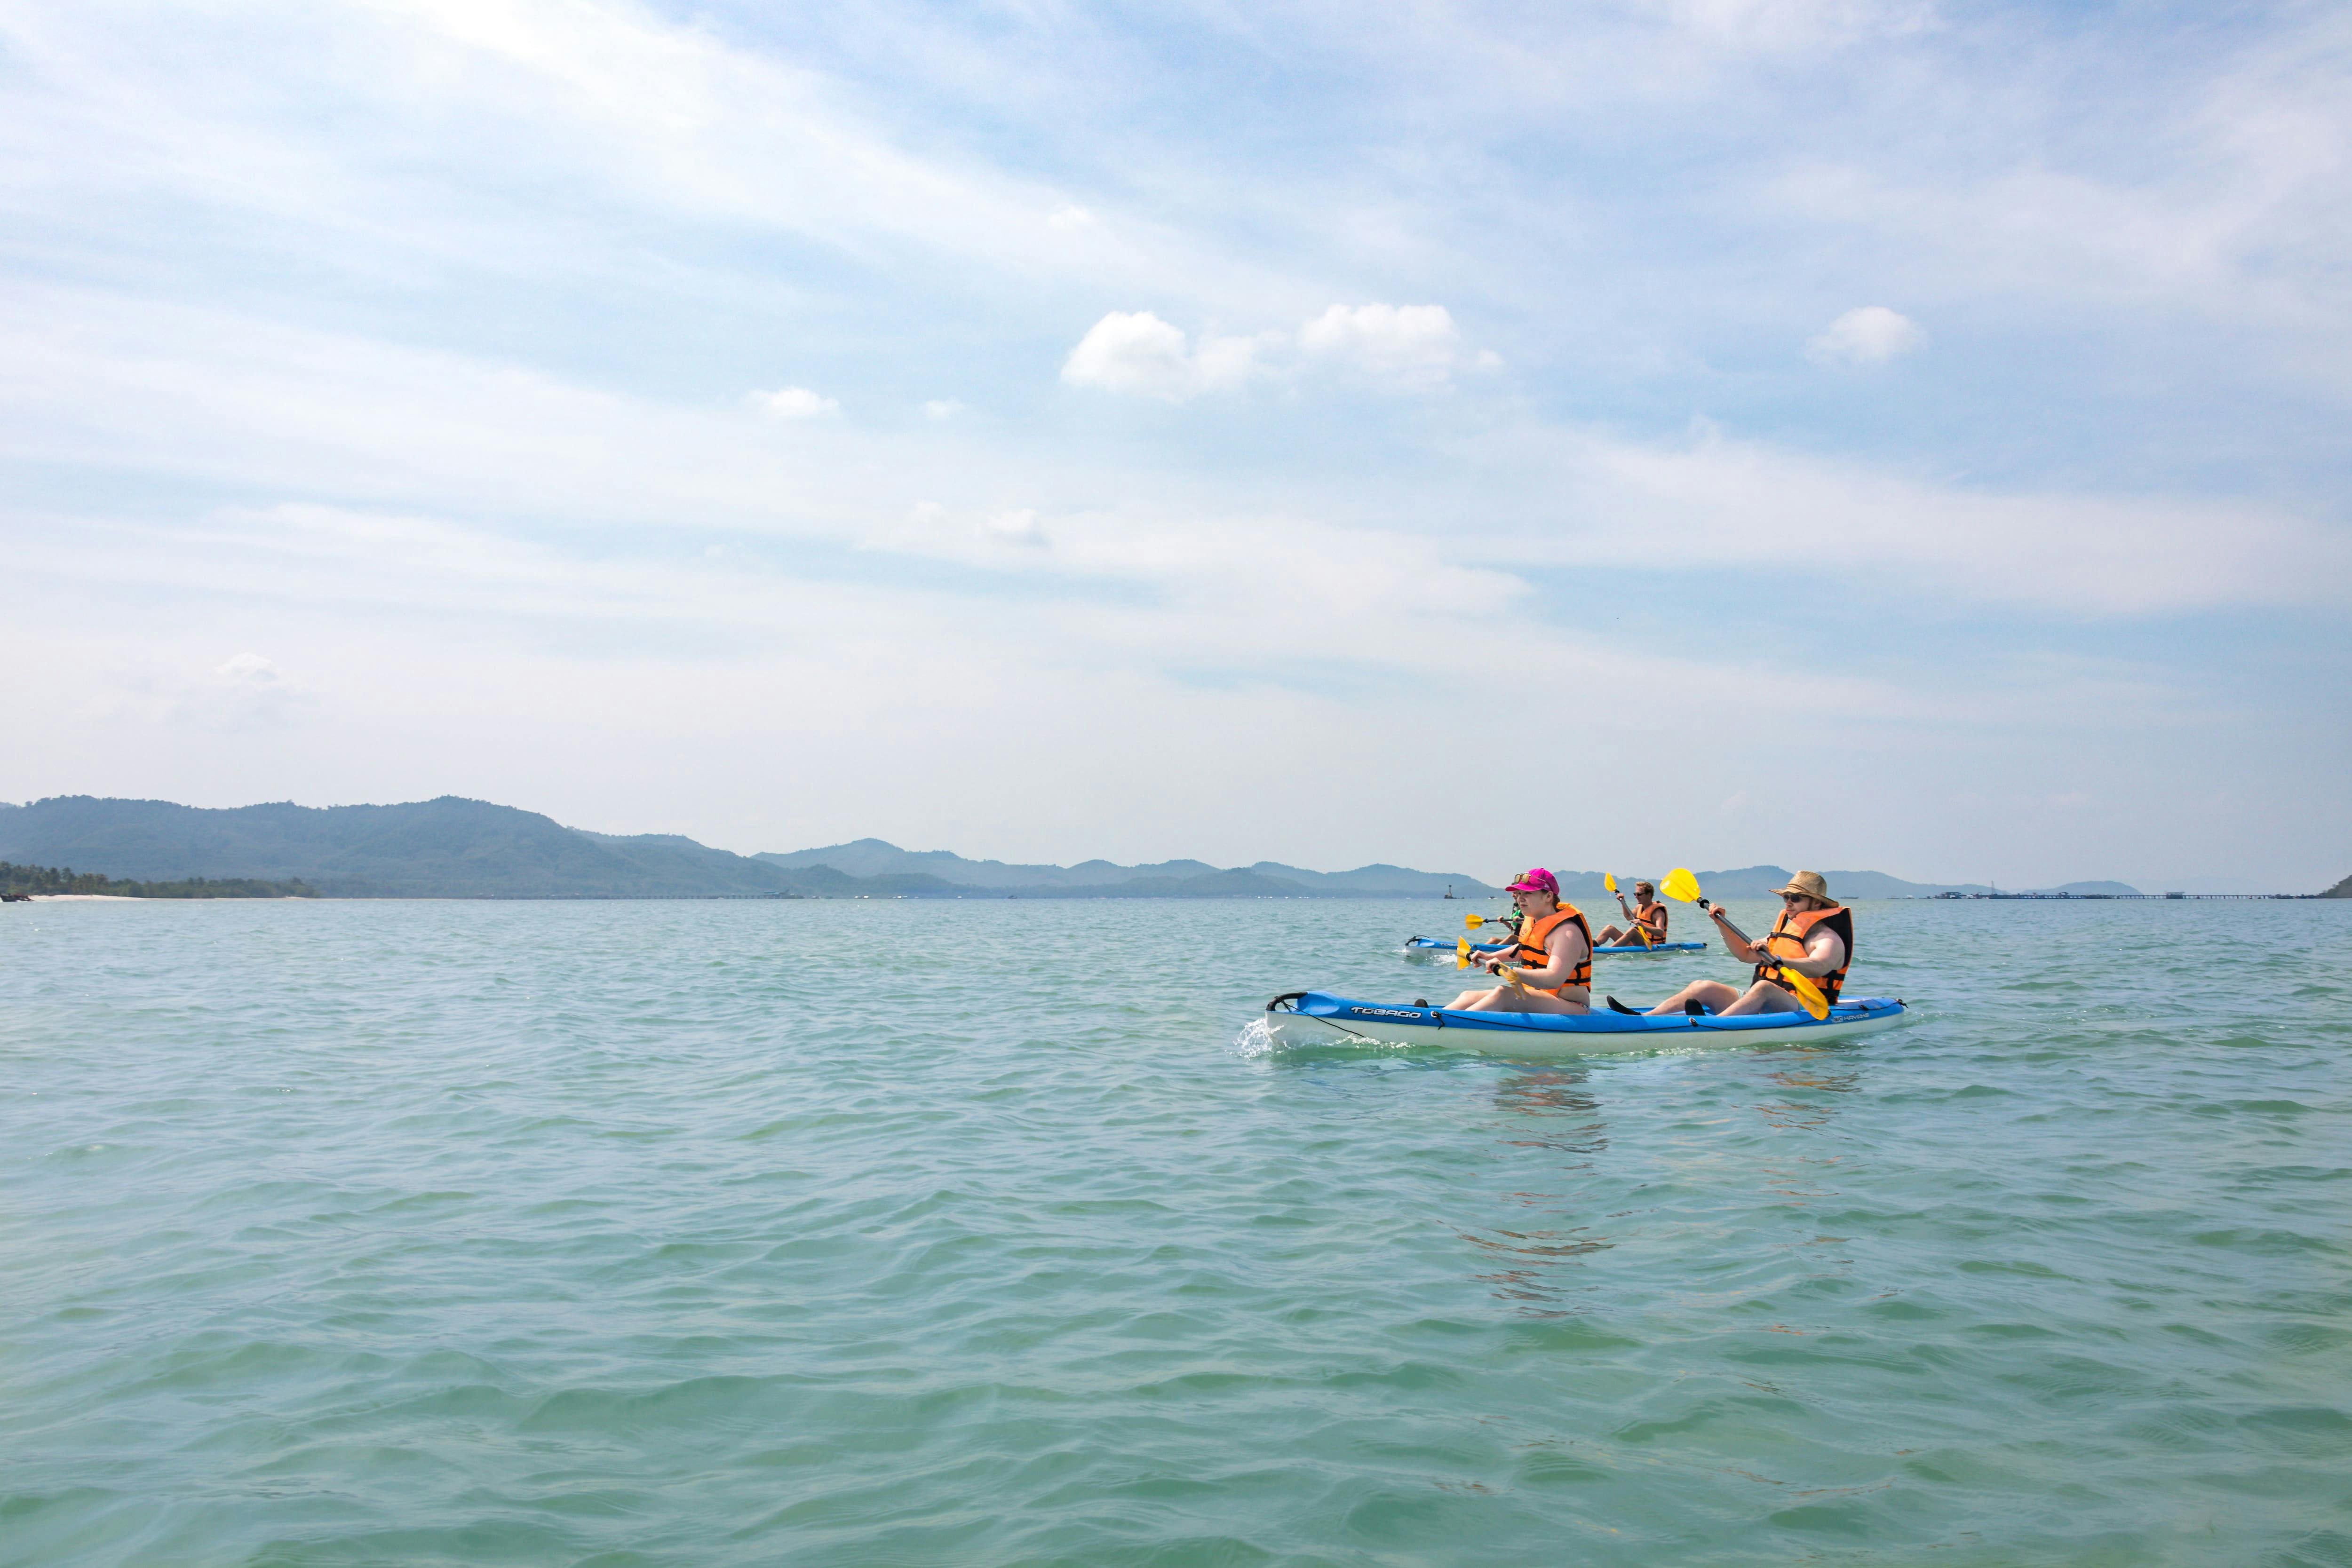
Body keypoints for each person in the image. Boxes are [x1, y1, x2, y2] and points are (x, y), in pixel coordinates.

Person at [1641, 871, 1852, 1017]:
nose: (1788, 902)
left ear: (1816, 903)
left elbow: (1819, 965)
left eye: (1796, 898)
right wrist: (1721, 924)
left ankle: (1713, 1028)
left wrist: (1778, 960)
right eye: (1786, 897)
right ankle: (1644, 1019)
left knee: (1764, 988)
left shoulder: (1828, 938)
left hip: (1808, 1007)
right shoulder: (1784, 934)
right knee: (1702, 986)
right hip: (1768, 1001)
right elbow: (1745, 955)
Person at [1445, 868, 1594, 1014]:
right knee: (1468, 996)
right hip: (1541, 998)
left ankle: (1448, 1028)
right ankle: (1433, 1020)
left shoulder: (1567, 933)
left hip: (1573, 1008)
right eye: (1519, 893)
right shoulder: (1535, 921)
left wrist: (1509, 970)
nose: (1520, 898)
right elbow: (1524, 949)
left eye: (1528, 893)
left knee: (1503, 995)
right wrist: (1490, 957)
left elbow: (1554, 979)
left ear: (1548, 896)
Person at [1595, 880, 1668, 949]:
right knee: (1609, 929)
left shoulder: (1658, 912)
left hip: (1651, 946)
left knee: (1633, 931)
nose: (1636, 897)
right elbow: (1628, 917)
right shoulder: (1639, 907)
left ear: (1649, 895)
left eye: (1639, 894)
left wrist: (1643, 927)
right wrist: (1623, 902)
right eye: (1635, 894)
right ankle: (1593, 947)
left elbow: (1660, 932)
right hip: (1638, 943)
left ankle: (1608, 951)